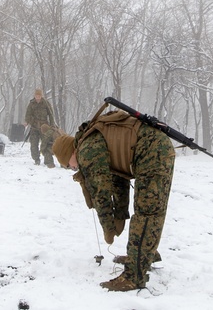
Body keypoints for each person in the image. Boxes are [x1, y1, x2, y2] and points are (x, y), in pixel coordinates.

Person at [52, 107, 175, 293]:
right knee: (147, 211)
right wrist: (119, 216)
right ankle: (140, 255)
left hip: (152, 152)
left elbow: (101, 193)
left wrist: (108, 228)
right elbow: (119, 182)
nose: (72, 168)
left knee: (147, 212)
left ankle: (134, 275)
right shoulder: (92, 140)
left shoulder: (87, 150)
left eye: (68, 165)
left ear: (70, 154)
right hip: (152, 149)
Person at [24, 88, 57, 167]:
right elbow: (28, 114)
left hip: (44, 128)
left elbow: (51, 114)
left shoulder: (45, 103)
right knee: (34, 144)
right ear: (34, 96)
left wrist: (52, 125)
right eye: (36, 95)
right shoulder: (31, 104)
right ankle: (36, 159)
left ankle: (48, 161)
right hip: (34, 127)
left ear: (41, 96)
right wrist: (28, 122)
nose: (37, 97)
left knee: (46, 144)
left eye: (39, 95)